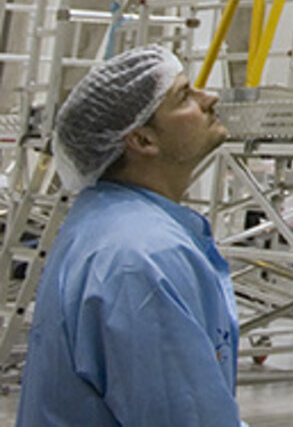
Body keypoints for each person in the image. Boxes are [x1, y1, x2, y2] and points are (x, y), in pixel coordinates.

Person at [19, 45, 244, 425]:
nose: (211, 97)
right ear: (141, 141)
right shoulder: (144, 257)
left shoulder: (106, 220)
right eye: (184, 96)